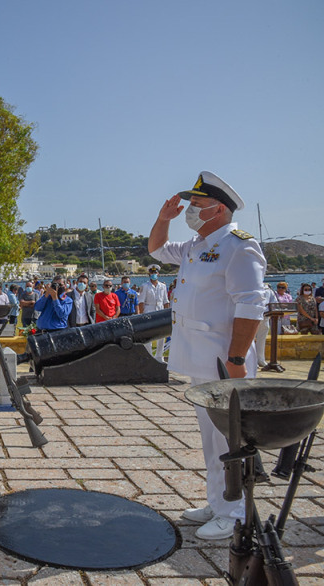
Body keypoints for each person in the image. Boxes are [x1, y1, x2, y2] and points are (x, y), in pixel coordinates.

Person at [149, 170, 266, 541]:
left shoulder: (239, 246)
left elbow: (250, 305)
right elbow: (155, 249)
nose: (191, 209)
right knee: (210, 437)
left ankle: (234, 512)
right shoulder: (196, 246)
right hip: (199, 358)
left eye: (197, 204)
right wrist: (162, 219)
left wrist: (236, 358)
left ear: (218, 209)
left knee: (229, 438)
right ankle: (217, 501)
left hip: (222, 358)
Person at [138, 264, 170, 361]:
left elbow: (166, 301)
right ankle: (150, 356)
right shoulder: (145, 286)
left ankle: (159, 356)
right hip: (149, 310)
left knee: (162, 334)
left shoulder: (163, 286)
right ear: (149, 274)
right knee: (149, 335)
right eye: (152, 272)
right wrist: (142, 315)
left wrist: (167, 314)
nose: (154, 274)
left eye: (155, 272)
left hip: (160, 310)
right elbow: (141, 301)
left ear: (158, 273)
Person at [254, 284, 278, 367]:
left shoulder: (269, 290)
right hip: (253, 317)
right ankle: (252, 360)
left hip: (266, 317)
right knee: (250, 339)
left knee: (262, 339)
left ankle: (260, 359)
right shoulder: (252, 287)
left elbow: (274, 303)